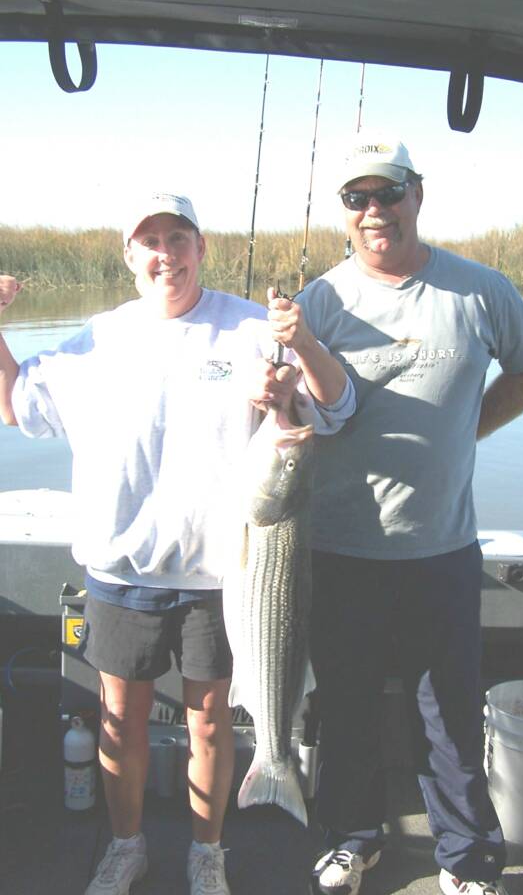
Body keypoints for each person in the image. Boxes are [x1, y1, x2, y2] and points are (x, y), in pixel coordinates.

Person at [0, 190, 354, 895]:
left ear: (202, 248)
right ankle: (126, 847)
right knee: (118, 719)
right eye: (150, 241)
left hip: (220, 576)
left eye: (180, 238)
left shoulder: (253, 329)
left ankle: (207, 852)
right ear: (130, 255)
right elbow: (16, 407)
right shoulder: (96, 338)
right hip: (120, 567)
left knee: (211, 724)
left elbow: (337, 410)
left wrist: (294, 371)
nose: (167, 255)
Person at [266, 134, 523, 895]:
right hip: (336, 551)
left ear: (417, 195)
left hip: (441, 548)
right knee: (346, 709)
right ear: (345, 213)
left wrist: (471, 428)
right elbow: (293, 414)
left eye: (387, 193)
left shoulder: (479, 290)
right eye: (357, 199)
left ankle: (465, 858)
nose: (374, 212)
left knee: (451, 718)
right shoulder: (319, 303)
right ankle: (351, 840)